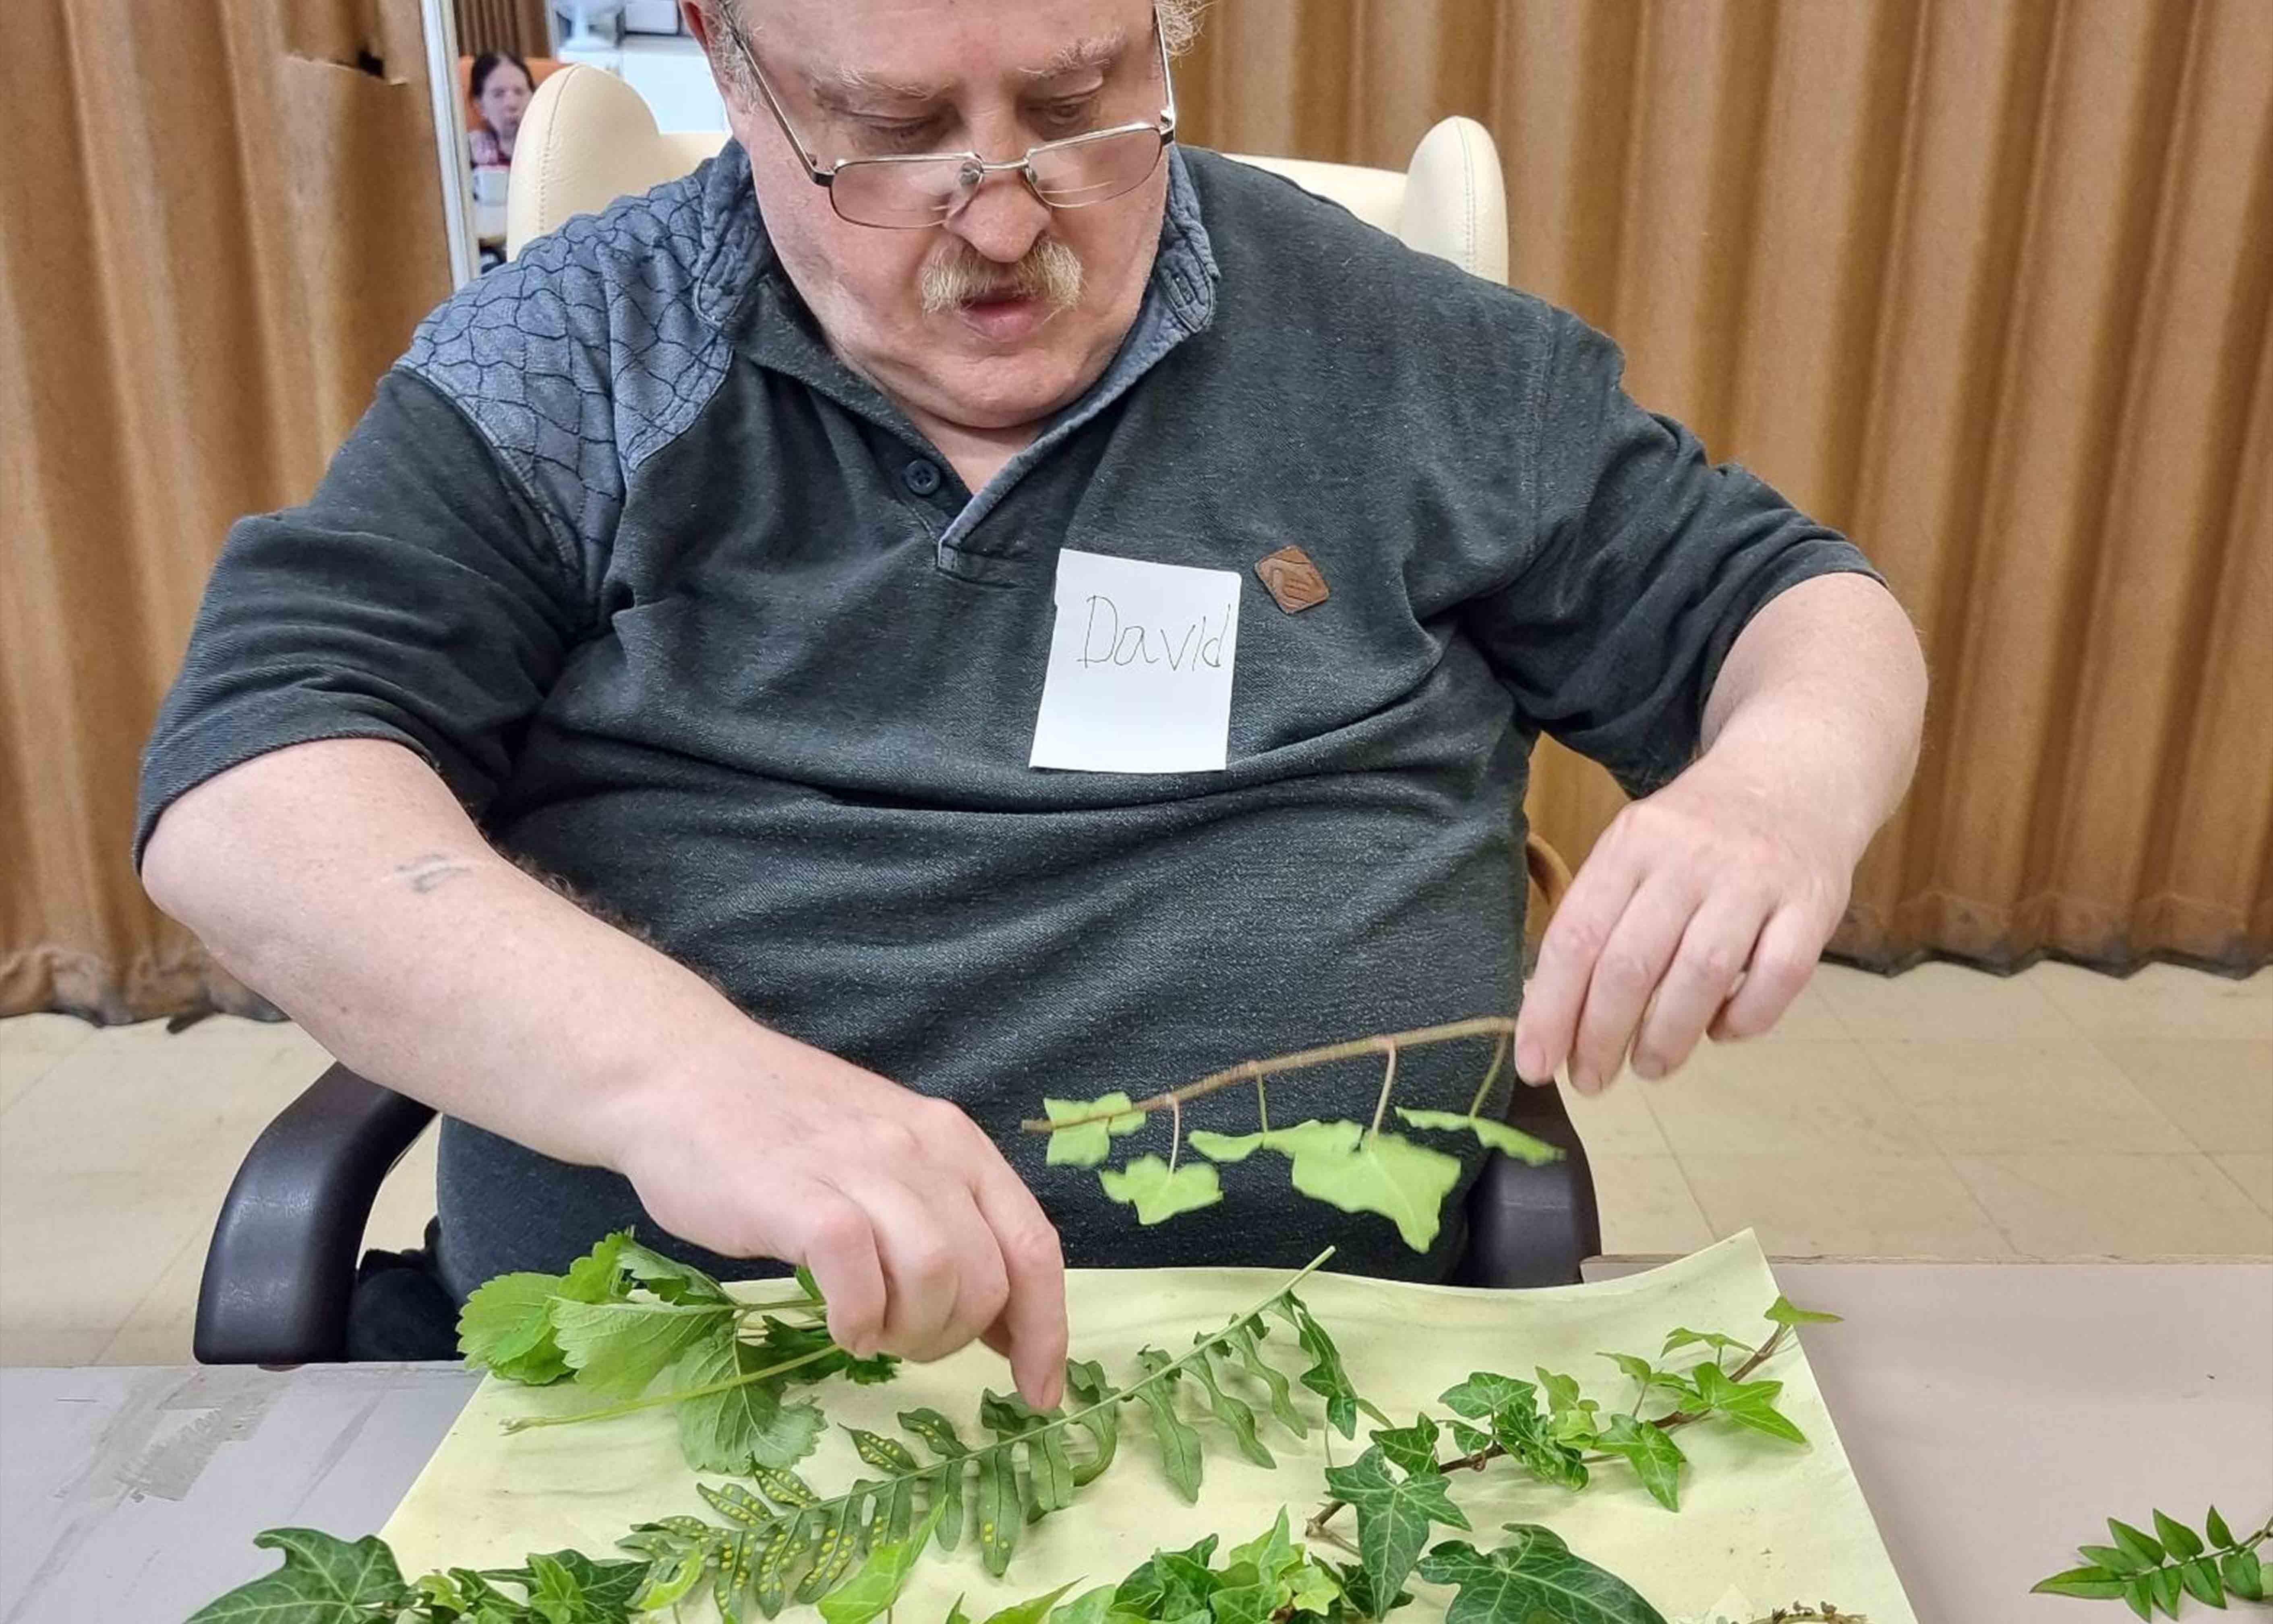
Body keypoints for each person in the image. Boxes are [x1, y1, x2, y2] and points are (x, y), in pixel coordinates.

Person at [138, 0, 1926, 1408]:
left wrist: (1776, 785)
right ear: (730, 64)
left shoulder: (1405, 353)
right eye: (896, 133)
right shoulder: (572, 367)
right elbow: (252, 789)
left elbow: (1792, 606)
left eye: (1080, 108)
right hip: (685, 1393)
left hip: (1314, 1388)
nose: (1002, 219)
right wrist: (688, 1084)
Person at [468, 51, 533, 171]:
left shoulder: (556, 147)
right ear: (479, 106)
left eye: (519, 92)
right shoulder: (468, 155)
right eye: (498, 95)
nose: (512, 104)